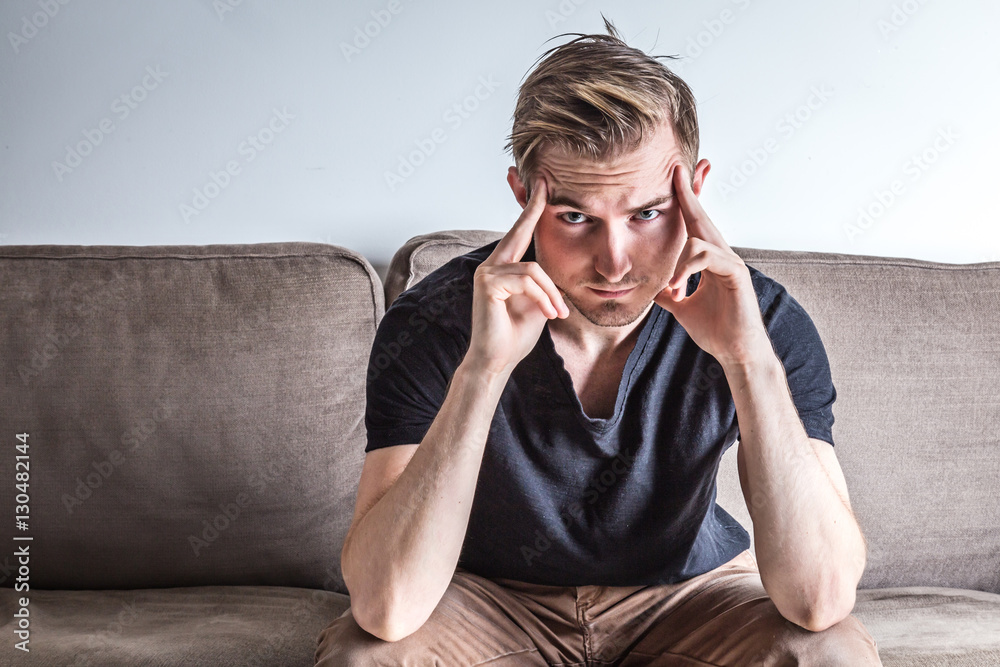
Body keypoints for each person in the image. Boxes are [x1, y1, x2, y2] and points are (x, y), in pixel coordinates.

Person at [316, 16, 882, 666]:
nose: (615, 262)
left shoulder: (762, 319)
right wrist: (482, 369)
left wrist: (747, 359)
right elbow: (388, 605)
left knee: (830, 652)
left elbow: (820, 597)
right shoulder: (433, 322)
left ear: (694, 190)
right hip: (484, 599)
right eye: (576, 216)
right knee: (365, 654)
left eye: (647, 213)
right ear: (523, 195)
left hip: (686, 598)